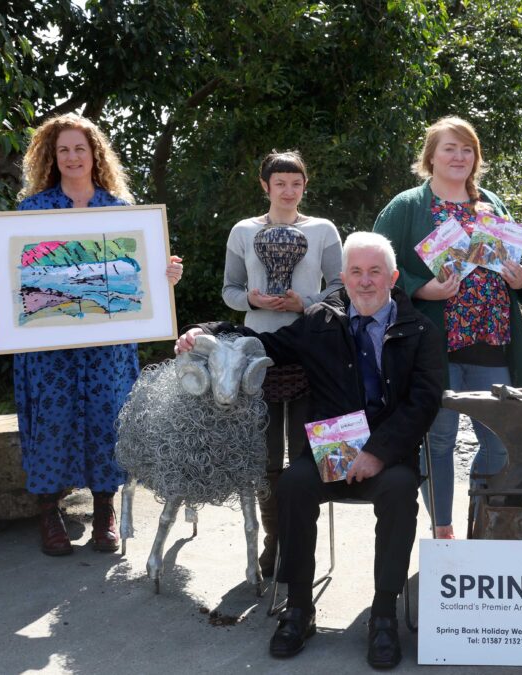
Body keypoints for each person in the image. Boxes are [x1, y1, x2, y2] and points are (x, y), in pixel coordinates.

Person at [176, 232, 441, 669]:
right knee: (294, 484)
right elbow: (267, 345)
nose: (365, 281)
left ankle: (382, 616)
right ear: (343, 277)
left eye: (376, 272)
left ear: (393, 278)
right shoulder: (321, 320)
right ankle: (299, 608)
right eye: (356, 271)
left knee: (398, 493)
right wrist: (206, 331)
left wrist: (377, 451)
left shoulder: (421, 331)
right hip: (332, 449)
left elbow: (425, 401)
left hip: (389, 453)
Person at [0, 113, 184, 556]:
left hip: (107, 348)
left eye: (79, 149)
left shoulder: (123, 212)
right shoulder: (31, 211)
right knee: (51, 422)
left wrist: (167, 276)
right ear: (53, 157)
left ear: (95, 155)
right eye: (63, 150)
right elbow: (14, 283)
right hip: (48, 349)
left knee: (109, 419)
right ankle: (49, 514)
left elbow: (140, 281)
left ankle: (104, 514)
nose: (72, 157)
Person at [373, 116, 522, 540]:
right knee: (439, 442)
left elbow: (516, 268)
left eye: (467, 150)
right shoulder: (408, 206)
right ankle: (442, 531)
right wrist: (420, 288)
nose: (459, 157)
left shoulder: (491, 205)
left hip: (493, 344)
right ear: (431, 157)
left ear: (476, 158)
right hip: (436, 350)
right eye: (449, 148)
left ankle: (480, 523)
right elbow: (376, 267)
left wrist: (521, 282)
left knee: (500, 442)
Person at [221, 150, 342, 577]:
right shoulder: (243, 231)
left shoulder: (324, 230)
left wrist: (305, 302)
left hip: (310, 347)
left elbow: (341, 289)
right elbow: (230, 290)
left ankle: (298, 541)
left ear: (304, 186)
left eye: (296, 183)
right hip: (259, 349)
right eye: (280, 184)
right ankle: (275, 541)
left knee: (307, 454)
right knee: (266, 457)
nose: (288, 191)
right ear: (265, 186)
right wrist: (251, 298)